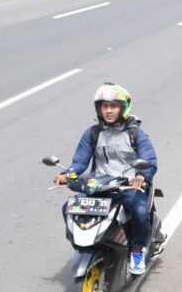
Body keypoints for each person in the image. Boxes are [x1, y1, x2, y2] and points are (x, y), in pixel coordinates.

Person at [54, 84, 159, 275]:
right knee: (68, 208)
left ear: (123, 108)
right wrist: (67, 174)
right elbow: (80, 161)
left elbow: (149, 160)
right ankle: (87, 244)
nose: (109, 111)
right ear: (99, 109)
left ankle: (137, 251)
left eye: (113, 106)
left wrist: (141, 176)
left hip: (126, 187)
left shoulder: (136, 134)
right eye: (104, 106)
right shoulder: (93, 133)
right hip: (98, 186)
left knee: (140, 211)